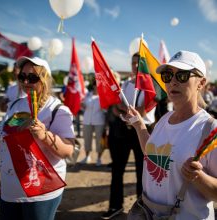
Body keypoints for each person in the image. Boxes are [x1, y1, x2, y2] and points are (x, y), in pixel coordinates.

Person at [125, 50, 217, 219]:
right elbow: (152, 153)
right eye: (167, 76)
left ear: (201, 83)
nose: (173, 82)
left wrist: (200, 177)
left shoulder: (210, 129)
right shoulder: (164, 120)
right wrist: (139, 125)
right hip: (149, 213)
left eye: (182, 76)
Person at [0, 56, 75, 220]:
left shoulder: (57, 109)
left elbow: (68, 150)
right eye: (22, 76)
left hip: (40, 189)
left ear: (44, 78)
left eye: (32, 77)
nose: (26, 81)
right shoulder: (14, 105)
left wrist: (44, 135)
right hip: (10, 189)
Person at [101, 53, 156, 219]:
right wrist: (126, 109)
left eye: (138, 63)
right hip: (123, 131)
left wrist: (125, 108)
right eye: (132, 63)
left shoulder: (150, 87)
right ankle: (115, 206)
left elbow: (143, 110)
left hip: (143, 131)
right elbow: (115, 106)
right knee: (117, 170)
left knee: (142, 173)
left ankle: (142, 209)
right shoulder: (125, 84)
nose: (134, 66)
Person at [80, 79, 106, 166]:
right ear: (94, 86)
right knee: (87, 139)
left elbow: (106, 109)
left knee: (99, 141)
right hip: (87, 121)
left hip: (99, 121)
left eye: (98, 85)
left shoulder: (103, 96)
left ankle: (99, 158)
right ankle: (87, 157)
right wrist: (82, 105)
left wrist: (104, 108)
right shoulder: (88, 95)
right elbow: (83, 107)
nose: (96, 87)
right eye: (95, 85)